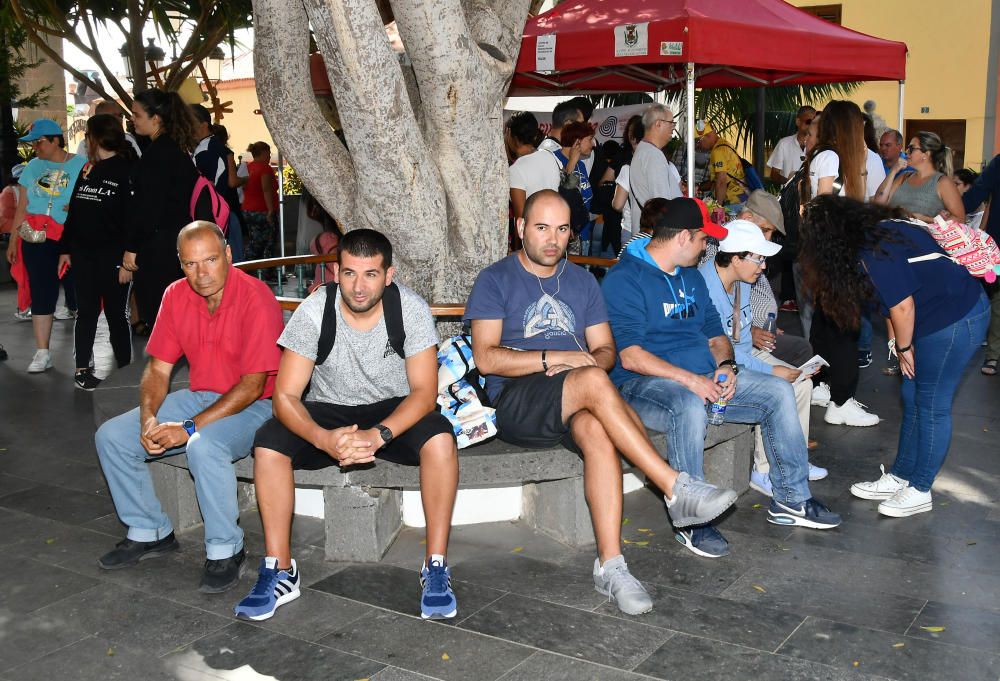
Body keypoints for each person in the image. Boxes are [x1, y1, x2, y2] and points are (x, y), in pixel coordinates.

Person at [465, 189, 737, 613]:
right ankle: (673, 487)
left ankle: (611, 567)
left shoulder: (581, 281)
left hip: (575, 395)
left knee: (597, 432)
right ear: (520, 228)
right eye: (541, 228)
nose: (553, 239)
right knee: (591, 377)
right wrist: (557, 359)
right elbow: (486, 358)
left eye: (561, 229)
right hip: (517, 398)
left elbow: (607, 352)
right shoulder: (496, 278)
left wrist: (584, 365)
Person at [235, 229, 460, 621]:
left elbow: (424, 392)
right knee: (268, 442)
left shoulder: (409, 309)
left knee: (440, 438)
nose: (359, 286)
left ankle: (436, 565)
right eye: (350, 273)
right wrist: (322, 439)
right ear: (336, 271)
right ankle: (280, 568)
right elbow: (285, 397)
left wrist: (380, 434)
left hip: (393, 409)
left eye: (371, 274)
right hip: (329, 409)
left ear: (389, 276)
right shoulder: (314, 310)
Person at [602, 197, 841, 558]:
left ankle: (792, 499)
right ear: (684, 237)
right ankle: (691, 517)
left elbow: (717, 336)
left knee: (778, 391)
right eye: (703, 240)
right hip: (643, 387)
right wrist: (691, 380)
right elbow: (631, 356)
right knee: (688, 404)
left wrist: (726, 366)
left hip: (702, 378)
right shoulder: (625, 278)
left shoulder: (690, 278)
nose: (707, 248)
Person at [94, 222, 283, 592]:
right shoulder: (176, 294)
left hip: (256, 406)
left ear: (228, 256)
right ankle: (150, 529)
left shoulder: (256, 297)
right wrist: (148, 417)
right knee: (113, 436)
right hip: (201, 397)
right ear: (181, 265)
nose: (202, 273)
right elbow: (158, 368)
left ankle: (226, 548)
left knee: (204, 444)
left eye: (211, 260)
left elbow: (252, 385)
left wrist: (190, 427)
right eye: (191, 264)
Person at [801, 196, 989, 517]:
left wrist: (903, 348)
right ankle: (901, 475)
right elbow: (889, 301)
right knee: (912, 394)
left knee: (931, 403)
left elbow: (903, 306)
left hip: (956, 318)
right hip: (935, 316)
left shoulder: (874, 249)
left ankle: (920, 489)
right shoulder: (877, 235)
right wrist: (896, 342)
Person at [697, 220, 825, 497]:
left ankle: (795, 459)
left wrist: (779, 367)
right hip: (720, 365)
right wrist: (771, 370)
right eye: (758, 259)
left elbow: (742, 342)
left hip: (742, 356)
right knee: (782, 385)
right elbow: (722, 351)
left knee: (801, 382)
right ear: (735, 258)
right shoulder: (707, 286)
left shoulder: (741, 281)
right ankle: (764, 469)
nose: (763, 266)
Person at [800, 101, 880, 427]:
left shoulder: (822, 155)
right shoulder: (833, 157)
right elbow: (825, 207)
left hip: (823, 254)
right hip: (836, 254)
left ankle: (822, 385)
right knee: (846, 329)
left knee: (825, 325)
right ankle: (842, 400)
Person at [59, 114, 137, 390]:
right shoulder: (88, 169)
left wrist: (129, 260)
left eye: (88, 136)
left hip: (114, 258)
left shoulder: (128, 170)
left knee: (117, 314)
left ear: (96, 137)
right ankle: (82, 369)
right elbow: (76, 210)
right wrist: (65, 249)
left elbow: (133, 218)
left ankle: (126, 371)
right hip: (84, 256)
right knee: (86, 311)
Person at [5, 118, 87, 373]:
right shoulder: (31, 168)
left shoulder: (82, 166)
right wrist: (13, 239)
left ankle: (86, 354)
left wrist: (76, 208)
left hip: (70, 238)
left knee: (82, 293)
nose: (35, 148)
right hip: (36, 239)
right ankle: (42, 352)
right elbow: (22, 207)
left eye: (39, 142)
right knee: (42, 293)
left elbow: (92, 201)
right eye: (32, 143)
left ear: (55, 140)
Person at [123, 88, 201, 331]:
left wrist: (132, 248)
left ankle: (163, 368)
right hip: (172, 240)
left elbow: (149, 207)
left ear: (155, 117)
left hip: (159, 245)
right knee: (173, 317)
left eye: (136, 115)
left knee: (164, 319)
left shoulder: (160, 153)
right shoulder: (172, 148)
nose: (132, 120)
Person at [191, 106, 246, 261]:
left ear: (203, 124)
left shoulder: (206, 150)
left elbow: (207, 187)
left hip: (217, 216)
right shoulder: (213, 146)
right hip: (225, 213)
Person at [875, 131, 965, 224]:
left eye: (911, 148)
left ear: (926, 154)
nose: (906, 151)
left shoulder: (942, 182)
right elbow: (878, 203)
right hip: (891, 233)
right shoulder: (904, 177)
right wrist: (893, 171)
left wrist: (926, 219)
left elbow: (960, 219)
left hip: (920, 236)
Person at [962, 154, 999, 375]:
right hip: (998, 247)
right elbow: (976, 193)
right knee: (997, 295)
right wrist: (953, 208)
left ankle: (993, 355)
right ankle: (993, 354)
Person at [627, 104, 681, 235]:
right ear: (658, 124)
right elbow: (661, 204)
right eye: (671, 123)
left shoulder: (643, 150)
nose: (673, 128)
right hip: (658, 236)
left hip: (648, 235)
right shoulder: (653, 155)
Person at [506, 111, 560, 221]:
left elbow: (521, 220)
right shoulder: (549, 156)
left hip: (535, 232)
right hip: (554, 223)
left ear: (513, 136)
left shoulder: (515, 170)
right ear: (535, 135)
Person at [694, 120, 747, 210]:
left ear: (707, 136)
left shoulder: (718, 151)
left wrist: (718, 208)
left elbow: (721, 181)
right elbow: (716, 180)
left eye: (698, 141)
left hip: (732, 202)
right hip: (740, 198)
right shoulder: (725, 144)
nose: (698, 146)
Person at [241, 141, 279, 261]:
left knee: (254, 239)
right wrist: (270, 210)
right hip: (262, 210)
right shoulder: (264, 168)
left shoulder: (248, 167)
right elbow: (266, 189)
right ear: (263, 153)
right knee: (268, 241)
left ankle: (250, 265)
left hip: (247, 209)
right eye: (268, 153)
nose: (270, 156)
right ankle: (267, 270)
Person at [75, 100, 141, 158]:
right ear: (99, 118)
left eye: (120, 115)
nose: (119, 119)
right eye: (113, 116)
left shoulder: (128, 138)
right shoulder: (86, 144)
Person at [766, 105, 815, 184]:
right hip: (788, 195)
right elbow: (774, 174)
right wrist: (791, 182)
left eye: (814, 122)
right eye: (808, 122)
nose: (811, 125)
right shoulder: (784, 144)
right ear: (798, 122)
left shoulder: (818, 146)